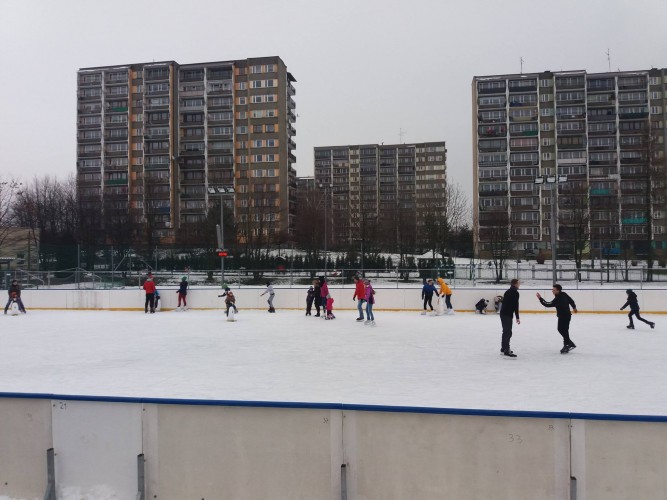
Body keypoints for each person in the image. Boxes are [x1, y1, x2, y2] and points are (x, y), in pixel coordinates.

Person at [536, 284, 578, 354]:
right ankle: (569, 343)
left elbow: (548, 304)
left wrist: (540, 298)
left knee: (563, 330)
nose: (552, 291)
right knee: (562, 330)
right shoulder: (563, 294)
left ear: (558, 290)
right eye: (552, 289)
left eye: (554, 290)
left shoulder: (558, 298)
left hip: (564, 316)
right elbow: (571, 301)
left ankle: (567, 345)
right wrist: (574, 307)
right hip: (565, 316)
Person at [500, 278, 520, 357]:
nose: (519, 284)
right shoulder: (515, 293)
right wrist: (517, 317)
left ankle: (503, 347)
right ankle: (506, 350)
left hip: (503, 313)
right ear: (515, 284)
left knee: (506, 331)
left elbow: (505, 302)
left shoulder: (507, 292)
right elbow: (516, 305)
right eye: (518, 283)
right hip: (507, 314)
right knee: (508, 332)